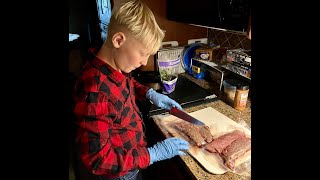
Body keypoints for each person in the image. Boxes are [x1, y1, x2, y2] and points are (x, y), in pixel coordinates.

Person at [73, 1, 190, 180]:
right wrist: (152, 155)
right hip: (119, 174)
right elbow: (98, 160)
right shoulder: (95, 93)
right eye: (143, 53)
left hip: (133, 158)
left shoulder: (113, 64)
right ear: (118, 40)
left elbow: (125, 85)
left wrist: (149, 93)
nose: (144, 62)